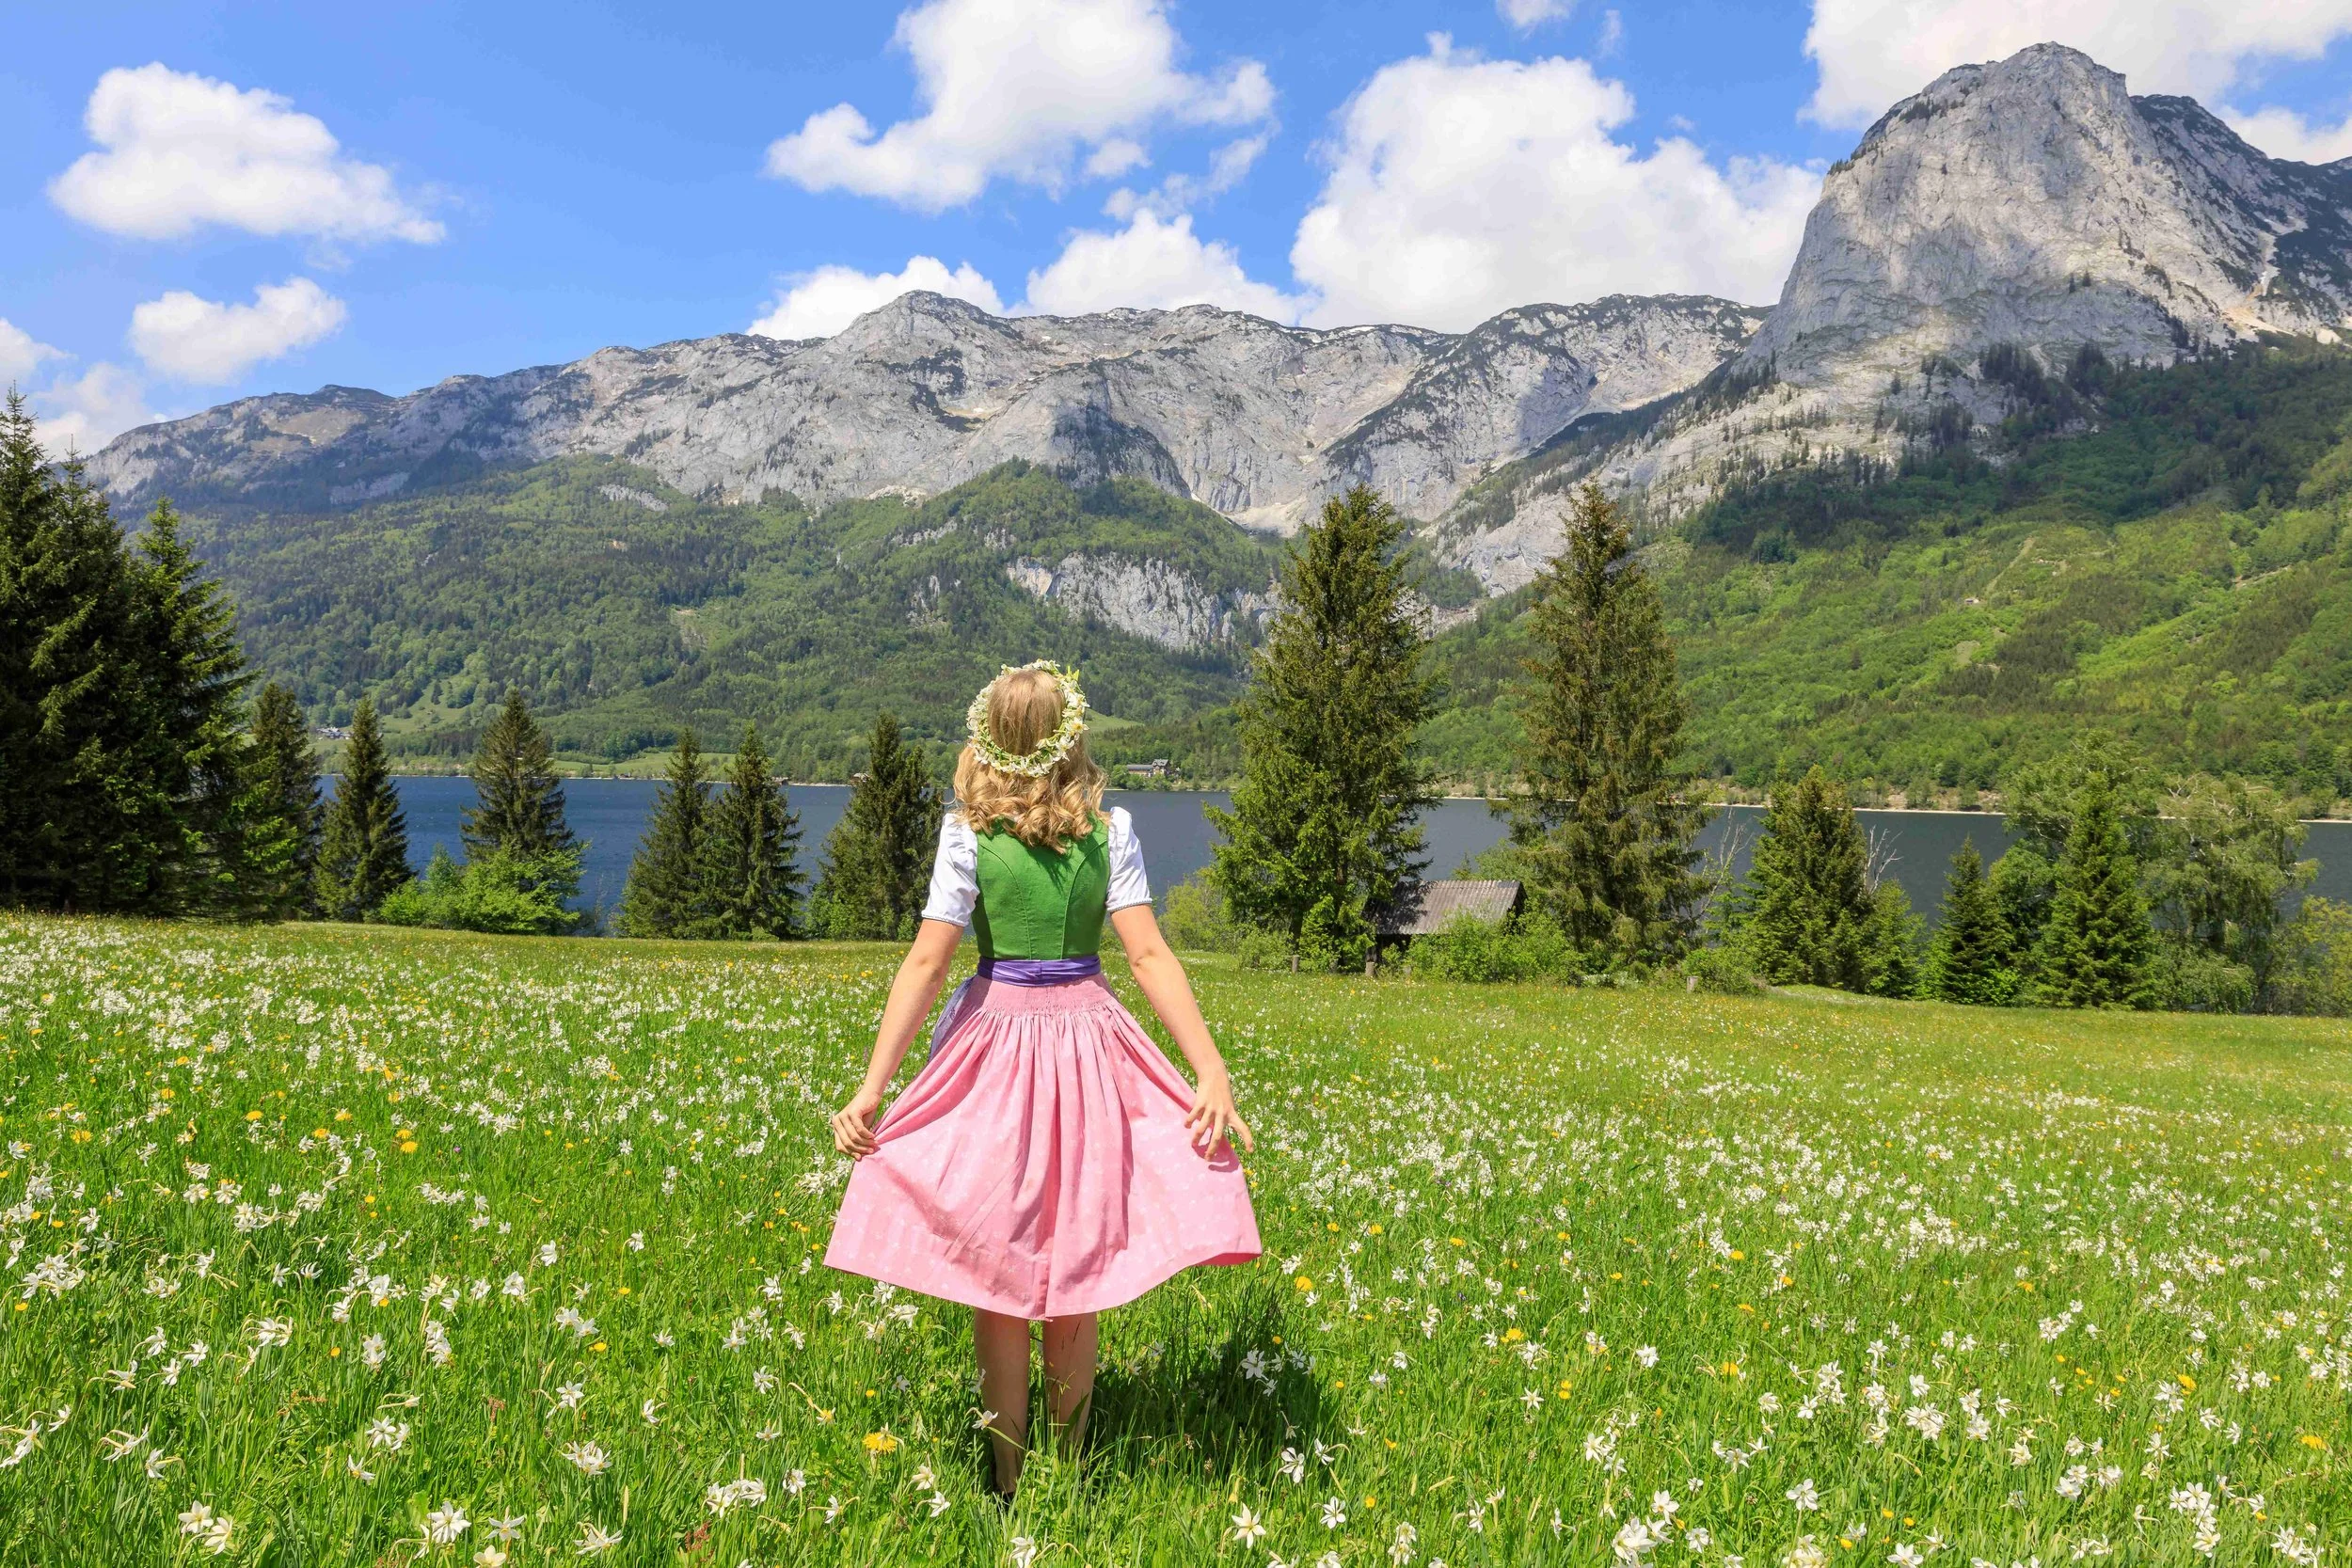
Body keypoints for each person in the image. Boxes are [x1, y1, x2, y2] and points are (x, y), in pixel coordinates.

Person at [823, 660, 1262, 1497]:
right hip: (1090, 1044)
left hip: (993, 1047)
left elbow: (928, 961)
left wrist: (874, 1086)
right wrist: (1209, 1068)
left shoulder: (967, 835)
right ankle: (1071, 1468)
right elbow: (1147, 954)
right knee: (1078, 1258)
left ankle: (1009, 1478)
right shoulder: (1111, 832)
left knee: (997, 1268)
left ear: (986, 738)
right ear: (1072, 737)